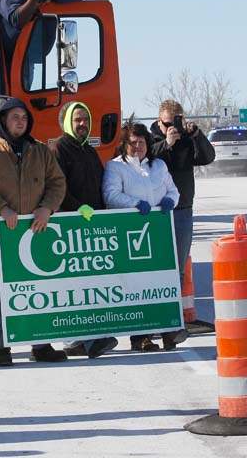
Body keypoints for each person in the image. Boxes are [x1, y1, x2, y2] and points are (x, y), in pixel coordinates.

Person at [0, 97, 67, 366]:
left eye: (24, 117)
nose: (20, 121)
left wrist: (47, 208)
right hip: (0, 231)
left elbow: (57, 183)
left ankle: (41, 344)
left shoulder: (40, 151)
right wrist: (1, 208)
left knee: (39, 287)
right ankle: (1, 347)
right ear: (2, 120)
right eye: (14, 117)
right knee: (1, 291)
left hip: (36, 231)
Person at [103, 121, 180, 352]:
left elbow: (173, 191)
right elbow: (110, 195)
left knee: (161, 281)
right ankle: (140, 337)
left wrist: (170, 201)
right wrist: (136, 204)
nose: (138, 147)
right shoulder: (115, 167)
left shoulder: (159, 166)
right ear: (125, 145)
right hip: (131, 233)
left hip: (157, 231)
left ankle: (169, 331)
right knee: (137, 284)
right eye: (133, 143)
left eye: (142, 142)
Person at [51, 101, 118, 359]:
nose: (83, 124)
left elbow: (99, 185)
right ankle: (83, 340)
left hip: (92, 227)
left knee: (91, 284)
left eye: (86, 119)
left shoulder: (89, 151)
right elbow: (58, 187)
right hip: (70, 226)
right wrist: (78, 209)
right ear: (67, 122)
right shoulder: (59, 148)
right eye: (77, 119)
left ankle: (81, 340)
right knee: (75, 286)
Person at [150, 100, 215, 338]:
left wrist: (196, 135)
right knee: (156, 267)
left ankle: (173, 318)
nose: (172, 127)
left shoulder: (187, 140)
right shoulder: (149, 140)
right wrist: (166, 143)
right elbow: (144, 160)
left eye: (176, 121)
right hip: (156, 212)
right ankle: (155, 318)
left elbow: (207, 157)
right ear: (159, 121)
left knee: (177, 269)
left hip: (183, 210)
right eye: (168, 122)